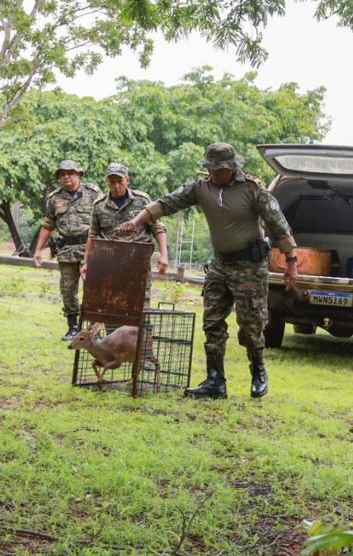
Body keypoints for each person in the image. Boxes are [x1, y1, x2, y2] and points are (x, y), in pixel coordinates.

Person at [120, 142, 299, 399]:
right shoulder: (200, 187)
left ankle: (258, 371)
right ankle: (215, 381)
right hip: (219, 265)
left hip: (249, 267)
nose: (212, 173)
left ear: (231, 168)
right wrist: (136, 221)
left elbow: (278, 224)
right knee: (212, 321)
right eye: (209, 168)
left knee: (250, 325)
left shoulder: (252, 189)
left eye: (217, 169)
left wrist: (291, 262)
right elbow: (167, 202)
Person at [80, 163, 169, 307]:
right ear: (107, 182)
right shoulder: (99, 205)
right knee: (110, 304)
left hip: (137, 262)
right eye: (112, 182)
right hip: (110, 263)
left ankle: (140, 322)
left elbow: (157, 228)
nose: (116, 186)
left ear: (127, 180)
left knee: (139, 306)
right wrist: (86, 262)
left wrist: (164, 254)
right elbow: (93, 235)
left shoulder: (142, 200)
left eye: (119, 181)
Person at [33, 159, 102, 341]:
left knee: (92, 288)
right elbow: (48, 224)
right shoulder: (54, 198)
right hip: (66, 250)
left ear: (78, 174)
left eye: (70, 173)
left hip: (90, 249)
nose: (66, 177)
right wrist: (38, 250)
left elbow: (104, 218)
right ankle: (73, 328)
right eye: (62, 174)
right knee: (68, 289)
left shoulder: (93, 194)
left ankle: (94, 330)